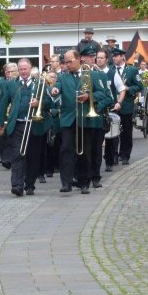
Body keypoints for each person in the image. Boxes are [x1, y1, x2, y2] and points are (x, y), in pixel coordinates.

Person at [51, 49, 112, 194]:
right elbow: (57, 87)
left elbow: (102, 93)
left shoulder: (91, 75)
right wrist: (54, 90)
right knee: (66, 150)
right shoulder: (62, 77)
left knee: (85, 152)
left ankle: (84, 182)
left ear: (78, 60)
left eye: (69, 61)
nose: (67, 65)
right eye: (65, 62)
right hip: (68, 119)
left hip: (85, 119)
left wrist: (89, 96)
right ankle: (66, 183)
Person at [0, 58, 51, 197]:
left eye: (25, 69)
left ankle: (30, 185)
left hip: (34, 124)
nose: (23, 72)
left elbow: (48, 101)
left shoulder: (39, 83)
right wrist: (0, 123)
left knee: (33, 156)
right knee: (17, 155)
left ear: (30, 68)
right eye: (20, 69)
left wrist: (39, 102)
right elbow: (3, 104)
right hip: (18, 124)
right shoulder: (11, 84)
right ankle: (17, 185)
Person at [79, 46, 113, 188]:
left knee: (96, 150)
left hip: (96, 118)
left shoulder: (100, 75)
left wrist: (94, 102)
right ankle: (83, 177)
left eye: (93, 56)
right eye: (88, 56)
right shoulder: (76, 75)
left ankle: (96, 176)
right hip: (80, 119)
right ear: (81, 58)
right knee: (84, 151)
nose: (92, 59)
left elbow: (107, 96)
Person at [110, 48, 143, 165]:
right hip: (113, 105)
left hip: (126, 105)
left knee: (126, 132)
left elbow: (139, 86)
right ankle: (113, 155)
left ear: (122, 56)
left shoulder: (132, 70)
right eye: (113, 56)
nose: (114, 58)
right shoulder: (111, 70)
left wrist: (128, 89)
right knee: (113, 131)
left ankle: (125, 155)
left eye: (117, 56)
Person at [100, 49, 126, 173]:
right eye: (97, 58)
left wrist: (119, 102)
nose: (99, 60)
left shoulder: (112, 73)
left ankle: (109, 161)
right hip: (96, 109)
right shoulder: (92, 73)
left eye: (101, 58)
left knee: (110, 137)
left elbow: (122, 89)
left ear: (106, 60)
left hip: (110, 108)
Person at [0, 62, 19, 170]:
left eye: (12, 72)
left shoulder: (20, 82)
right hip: (7, 113)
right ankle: (6, 158)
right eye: (8, 72)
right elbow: (1, 100)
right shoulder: (2, 83)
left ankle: (12, 158)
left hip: (17, 115)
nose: (10, 74)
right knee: (5, 137)